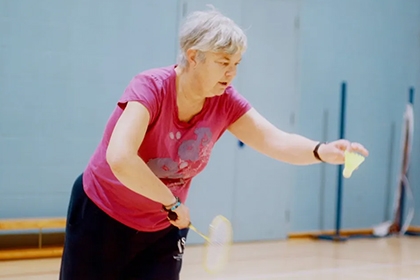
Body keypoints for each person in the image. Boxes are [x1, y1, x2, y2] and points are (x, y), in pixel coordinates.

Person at [59, 7, 369, 280]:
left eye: (237, 63)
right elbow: (121, 158)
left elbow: (276, 141)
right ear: (194, 56)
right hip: (102, 216)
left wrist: (321, 151)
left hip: (161, 228)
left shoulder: (225, 102)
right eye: (223, 62)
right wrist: (172, 202)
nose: (232, 73)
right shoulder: (150, 88)